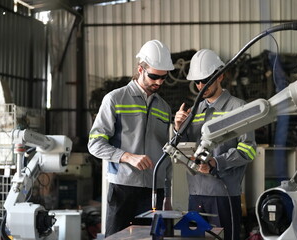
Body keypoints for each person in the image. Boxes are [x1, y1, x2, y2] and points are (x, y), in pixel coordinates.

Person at [88, 39, 174, 237]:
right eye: (154, 76)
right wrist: (127, 156)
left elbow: (166, 156)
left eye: (163, 78)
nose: (159, 82)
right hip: (123, 188)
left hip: (155, 191)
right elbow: (95, 144)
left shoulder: (164, 108)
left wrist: (167, 195)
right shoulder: (115, 99)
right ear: (140, 69)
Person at [174, 49, 257, 240]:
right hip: (194, 194)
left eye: (206, 80)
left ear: (220, 76)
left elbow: (249, 149)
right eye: (197, 82)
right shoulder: (194, 111)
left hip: (223, 196)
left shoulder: (238, 108)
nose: (201, 86)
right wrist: (178, 128)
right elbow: (182, 148)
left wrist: (216, 163)